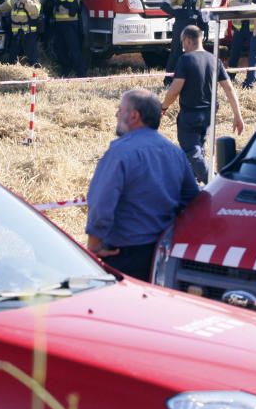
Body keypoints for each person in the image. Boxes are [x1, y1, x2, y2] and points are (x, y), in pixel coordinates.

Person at [85, 88, 199, 280]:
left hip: (123, 253)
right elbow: (192, 200)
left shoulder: (120, 152)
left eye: (120, 110)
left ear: (134, 116)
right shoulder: (174, 152)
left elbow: (101, 202)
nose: (116, 114)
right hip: (163, 253)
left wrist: (94, 244)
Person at [161, 25, 245, 183]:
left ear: (187, 40)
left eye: (182, 42)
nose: (182, 46)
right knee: (199, 150)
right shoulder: (215, 60)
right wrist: (237, 115)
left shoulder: (185, 60)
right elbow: (229, 89)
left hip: (190, 115)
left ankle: (214, 184)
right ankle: (193, 186)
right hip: (209, 116)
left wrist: (163, 107)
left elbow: (174, 90)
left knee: (192, 151)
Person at [160, 0, 206, 85]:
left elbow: (202, 11)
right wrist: (176, 13)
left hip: (193, 25)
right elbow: (163, 5)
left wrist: (204, 25)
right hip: (180, 24)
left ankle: (189, 79)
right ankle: (169, 80)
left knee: (193, 52)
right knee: (176, 51)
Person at [46, 0, 86, 77]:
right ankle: (66, 69)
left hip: (70, 23)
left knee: (74, 50)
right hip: (60, 23)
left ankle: (81, 74)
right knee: (59, 49)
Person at [227, 0, 256, 80]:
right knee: (234, 53)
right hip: (239, 28)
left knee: (253, 54)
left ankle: (253, 77)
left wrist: (243, 6)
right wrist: (248, 6)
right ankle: (230, 76)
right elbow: (231, 4)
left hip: (253, 29)